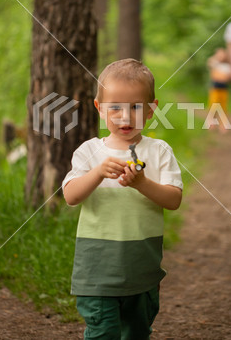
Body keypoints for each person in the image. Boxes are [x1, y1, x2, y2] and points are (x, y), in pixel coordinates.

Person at [62, 58, 183, 339]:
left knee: (137, 331)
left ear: (151, 109)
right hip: (97, 269)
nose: (125, 117)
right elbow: (70, 196)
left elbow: (173, 199)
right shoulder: (88, 151)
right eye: (115, 107)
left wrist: (141, 183)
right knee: (102, 332)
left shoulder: (159, 151)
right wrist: (97, 173)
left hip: (142, 268)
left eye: (136, 107)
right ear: (100, 109)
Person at [207, 48, 231, 132]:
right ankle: (211, 122)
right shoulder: (215, 64)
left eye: (222, 55)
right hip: (214, 89)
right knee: (213, 105)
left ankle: (222, 124)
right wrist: (216, 57)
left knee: (223, 107)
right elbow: (209, 62)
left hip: (224, 90)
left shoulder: (227, 66)